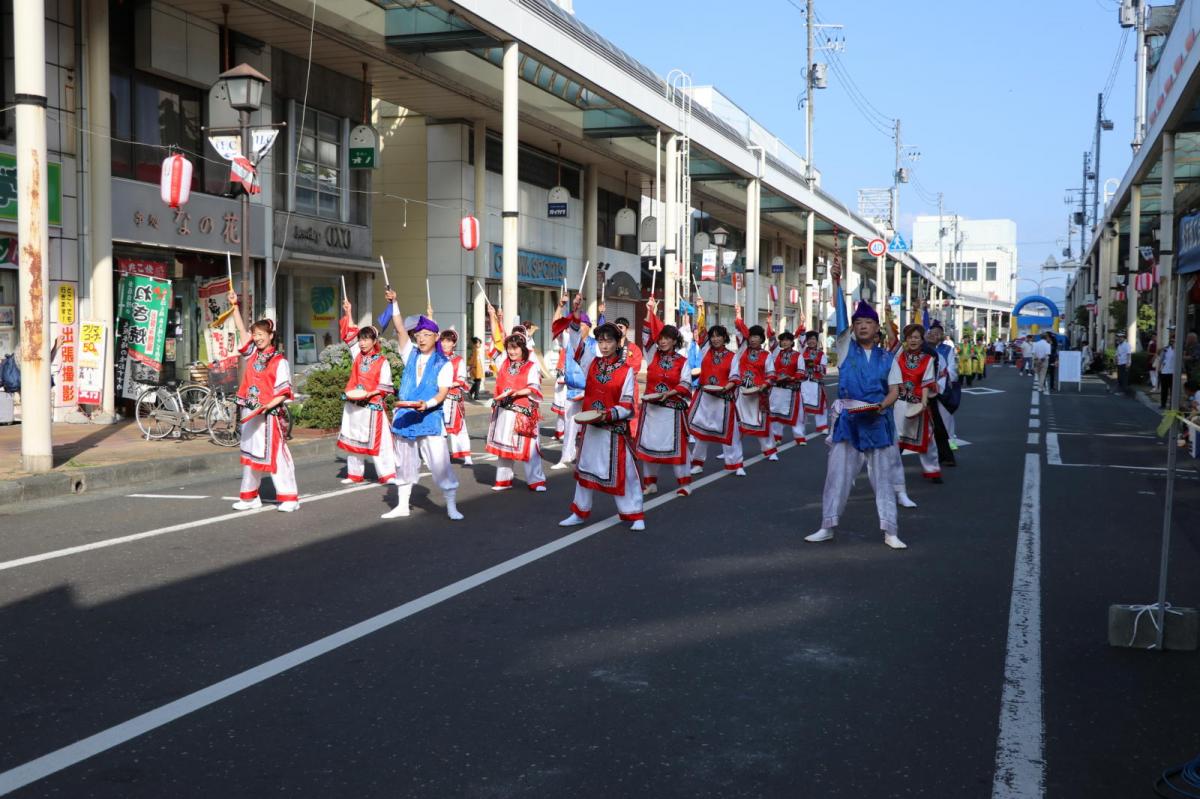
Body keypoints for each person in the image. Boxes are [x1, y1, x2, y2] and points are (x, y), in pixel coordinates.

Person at [805, 291, 906, 550]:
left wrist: (881, 406)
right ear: (853, 328)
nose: (863, 326)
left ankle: (890, 530)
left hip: (878, 420)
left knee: (883, 479)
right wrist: (837, 281)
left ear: (876, 328)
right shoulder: (845, 348)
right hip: (849, 421)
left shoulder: (887, 357)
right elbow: (839, 319)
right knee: (836, 476)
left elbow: (895, 389)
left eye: (868, 322)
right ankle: (827, 526)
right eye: (858, 322)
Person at [382, 293, 463, 521]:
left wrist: (426, 404)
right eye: (419, 335)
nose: (422, 338)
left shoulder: (443, 363)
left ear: (436, 337)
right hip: (405, 415)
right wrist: (394, 303)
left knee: (440, 464)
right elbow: (399, 329)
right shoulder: (410, 354)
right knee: (403, 462)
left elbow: (442, 393)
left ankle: (451, 505)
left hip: (429, 417)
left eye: (427, 334)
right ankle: (401, 505)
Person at [559, 322, 645, 530]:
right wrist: (575, 320)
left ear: (617, 343)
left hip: (613, 430)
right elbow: (577, 346)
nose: (604, 345)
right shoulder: (592, 363)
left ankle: (635, 514)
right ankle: (579, 512)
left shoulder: (626, 371)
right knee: (584, 471)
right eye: (601, 341)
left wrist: (606, 414)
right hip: (591, 429)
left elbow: (627, 405)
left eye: (609, 341)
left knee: (626, 472)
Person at [226, 291, 299, 512]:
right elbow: (241, 330)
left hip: (269, 416)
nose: (256, 338)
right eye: (255, 334)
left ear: (270, 336)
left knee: (277, 456)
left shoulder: (280, 361)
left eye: (260, 334)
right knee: (249, 455)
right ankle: (249, 497)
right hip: (251, 413)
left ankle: (289, 498)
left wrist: (268, 405)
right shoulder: (253, 355)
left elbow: (284, 392)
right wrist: (235, 306)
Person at [485, 303, 548, 491]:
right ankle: (503, 480)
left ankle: (536, 481)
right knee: (504, 447)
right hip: (505, 411)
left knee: (529, 449)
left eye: (516, 348)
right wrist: (493, 318)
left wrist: (516, 392)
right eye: (510, 348)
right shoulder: (503, 362)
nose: (512, 352)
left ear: (523, 349)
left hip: (523, 413)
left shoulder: (530, 366)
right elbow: (496, 342)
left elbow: (533, 387)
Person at [635, 296, 693, 496]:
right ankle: (650, 484)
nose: (663, 341)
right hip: (652, 410)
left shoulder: (682, 361)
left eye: (667, 338)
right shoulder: (651, 355)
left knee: (677, 448)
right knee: (649, 448)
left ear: (675, 340)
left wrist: (669, 393)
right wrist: (649, 311)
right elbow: (645, 336)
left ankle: (684, 483)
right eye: (660, 338)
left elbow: (685, 383)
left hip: (672, 411)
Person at [336, 298, 397, 486]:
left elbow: (385, 385)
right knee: (354, 437)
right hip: (354, 403)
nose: (362, 343)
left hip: (372, 405)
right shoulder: (357, 355)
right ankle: (355, 473)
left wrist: (369, 394)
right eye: (361, 339)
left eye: (366, 339)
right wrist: (348, 312)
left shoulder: (382, 361)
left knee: (381, 441)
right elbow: (349, 334)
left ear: (374, 341)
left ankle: (387, 474)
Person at [890, 323, 942, 488]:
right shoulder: (899, 355)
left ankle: (933, 469)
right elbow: (892, 339)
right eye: (910, 337)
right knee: (896, 438)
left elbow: (927, 382)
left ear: (921, 340)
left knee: (927, 439)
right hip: (899, 402)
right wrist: (888, 318)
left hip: (918, 402)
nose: (913, 340)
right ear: (906, 339)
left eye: (917, 337)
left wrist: (924, 403)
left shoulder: (928, 359)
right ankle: (891, 471)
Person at [688, 323, 743, 475]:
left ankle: (735, 464)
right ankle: (697, 463)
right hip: (705, 397)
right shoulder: (705, 350)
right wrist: (700, 309)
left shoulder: (733, 357)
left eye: (718, 336)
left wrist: (727, 387)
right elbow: (700, 331)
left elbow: (735, 375)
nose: (715, 339)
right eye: (712, 336)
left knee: (730, 432)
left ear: (725, 337)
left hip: (723, 398)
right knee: (701, 432)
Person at [729, 315, 776, 461]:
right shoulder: (743, 350)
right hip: (741, 393)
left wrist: (764, 385)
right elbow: (741, 331)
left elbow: (771, 375)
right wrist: (737, 317)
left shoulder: (766, 355)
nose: (753, 339)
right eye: (751, 336)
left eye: (756, 337)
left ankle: (769, 450)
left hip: (758, 394)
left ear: (762, 339)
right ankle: (731, 452)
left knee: (761, 423)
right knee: (736, 424)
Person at [766, 329, 807, 451]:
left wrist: (792, 377)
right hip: (777, 389)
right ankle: (776, 436)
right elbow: (771, 368)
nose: (784, 342)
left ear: (791, 342)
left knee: (797, 414)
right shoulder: (776, 353)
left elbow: (801, 371)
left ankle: (799, 437)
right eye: (782, 340)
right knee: (775, 413)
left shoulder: (797, 356)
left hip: (792, 389)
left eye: (787, 340)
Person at [439, 329, 472, 465]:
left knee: (459, 428)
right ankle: (440, 456)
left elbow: (461, 379)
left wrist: (446, 385)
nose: (445, 344)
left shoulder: (459, 360)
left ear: (454, 343)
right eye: (443, 341)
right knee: (438, 429)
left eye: (449, 341)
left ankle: (466, 456)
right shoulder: (436, 357)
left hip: (452, 397)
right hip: (438, 398)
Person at [800, 330, 829, 436]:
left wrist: (814, 366)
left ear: (817, 341)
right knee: (802, 406)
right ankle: (800, 428)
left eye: (813, 339)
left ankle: (822, 426)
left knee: (821, 405)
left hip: (816, 383)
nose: (811, 341)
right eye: (809, 339)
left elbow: (824, 370)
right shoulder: (803, 350)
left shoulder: (821, 354)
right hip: (803, 382)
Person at [1160, 334, 1176, 409]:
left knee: (1172, 390)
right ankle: (1163, 404)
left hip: (1173, 372)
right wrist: (1160, 368)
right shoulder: (1166, 349)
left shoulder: (1178, 349)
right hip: (1164, 371)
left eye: (1173, 341)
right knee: (1164, 389)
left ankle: (1171, 405)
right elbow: (1162, 359)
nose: (1172, 342)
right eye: (1171, 340)